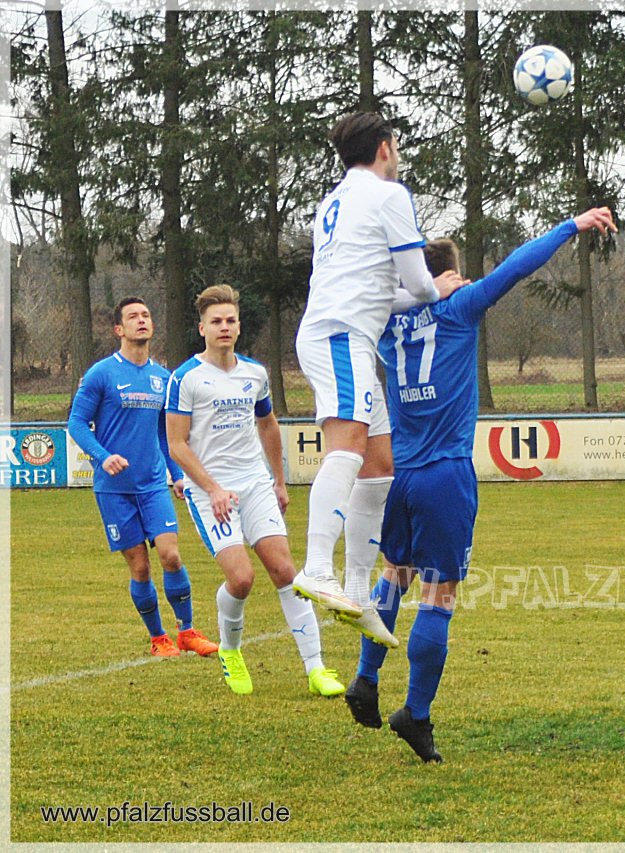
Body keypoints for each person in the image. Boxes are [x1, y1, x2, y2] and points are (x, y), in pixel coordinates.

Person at [341, 206, 617, 763]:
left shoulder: (386, 323)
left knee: (395, 574)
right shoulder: (460, 308)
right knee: (439, 594)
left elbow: (355, 299)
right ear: (451, 274)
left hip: (402, 473)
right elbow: (515, 268)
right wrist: (572, 226)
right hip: (445, 472)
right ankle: (415, 714)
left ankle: (366, 679)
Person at [292, 111, 464, 641]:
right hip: (340, 336)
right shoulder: (389, 195)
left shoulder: (334, 201)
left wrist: (422, 293)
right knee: (346, 450)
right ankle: (317, 567)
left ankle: (357, 591)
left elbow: (381, 292)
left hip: (344, 337)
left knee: (379, 466)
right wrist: (439, 289)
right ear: (385, 148)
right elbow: (419, 283)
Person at [166, 285, 346, 697]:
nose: (224, 327)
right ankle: (230, 650)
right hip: (209, 491)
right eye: (216, 321)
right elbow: (177, 444)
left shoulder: (255, 373)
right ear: (202, 329)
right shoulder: (186, 378)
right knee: (242, 578)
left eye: (230, 320)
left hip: (255, 483)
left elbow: (267, 425)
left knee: (285, 572)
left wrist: (278, 481)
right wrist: (212, 488)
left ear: (239, 326)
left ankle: (316, 669)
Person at [68, 297, 219, 659]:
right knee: (140, 566)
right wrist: (103, 457)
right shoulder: (101, 373)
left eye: (146, 315)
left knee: (171, 556)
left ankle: (187, 632)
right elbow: (76, 423)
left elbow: (168, 435)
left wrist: (177, 475)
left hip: (153, 486)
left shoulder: (163, 379)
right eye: (133, 316)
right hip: (114, 490)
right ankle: (158, 639)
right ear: (119, 329)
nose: (141, 320)